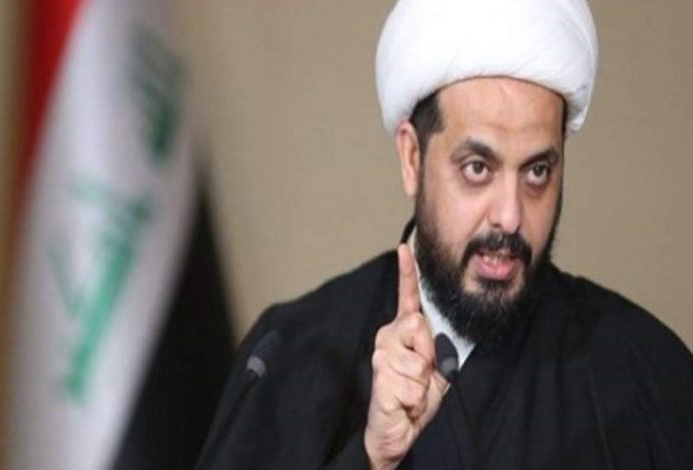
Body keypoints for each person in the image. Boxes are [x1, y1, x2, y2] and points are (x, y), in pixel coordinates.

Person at [198, 0, 693, 468]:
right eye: (478, 168)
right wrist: (371, 457)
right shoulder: (295, 355)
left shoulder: (642, 368)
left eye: (537, 171)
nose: (510, 216)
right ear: (412, 158)